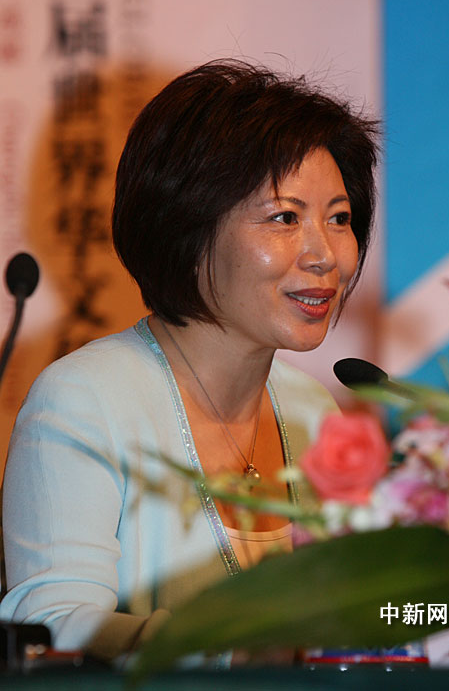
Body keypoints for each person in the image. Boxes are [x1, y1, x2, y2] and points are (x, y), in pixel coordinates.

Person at [0, 60, 378, 662]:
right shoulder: (84, 401)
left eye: (339, 218)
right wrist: (243, 650)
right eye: (285, 218)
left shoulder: (312, 410)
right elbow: (52, 625)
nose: (325, 255)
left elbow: (370, 615)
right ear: (188, 228)